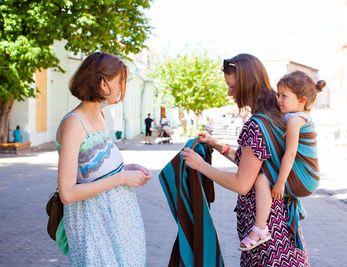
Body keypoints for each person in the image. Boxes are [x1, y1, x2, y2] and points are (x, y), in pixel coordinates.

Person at [181, 54, 310, 266]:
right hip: (283, 227)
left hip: (267, 237)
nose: (229, 93)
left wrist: (200, 165)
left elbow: (242, 183)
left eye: (232, 87)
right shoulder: (276, 114)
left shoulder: (256, 124)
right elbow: (256, 164)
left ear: (247, 85)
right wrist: (218, 145)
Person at [56, 52, 151, 266]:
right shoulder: (74, 123)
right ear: (103, 84)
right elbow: (68, 193)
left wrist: (127, 169)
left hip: (118, 223)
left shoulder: (100, 115)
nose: (121, 89)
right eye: (120, 82)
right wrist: (122, 179)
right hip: (94, 225)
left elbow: (94, 168)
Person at [240, 70, 326, 251]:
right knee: (263, 176)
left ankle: (260, 228)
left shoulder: (296, 120)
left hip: (305, 176)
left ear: (302, 100)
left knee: (262, 179)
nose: (278, 100)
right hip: (304, 174)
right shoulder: (291, 116)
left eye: (284, 96)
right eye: (278, 94)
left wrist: (280, 182)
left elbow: (291, 153)